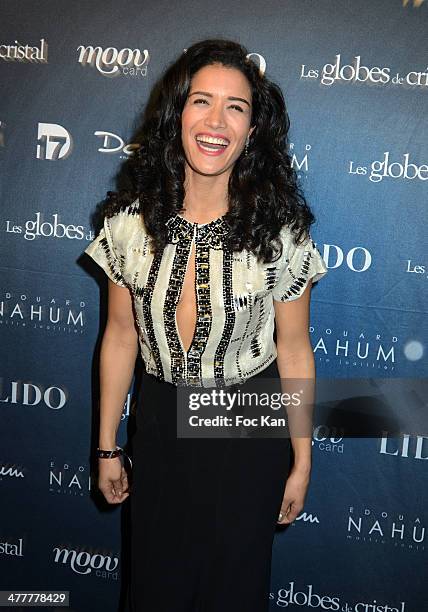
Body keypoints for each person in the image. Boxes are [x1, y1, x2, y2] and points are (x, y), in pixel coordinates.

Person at [85, 38, 327, 612]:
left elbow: (293, 349)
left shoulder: (279, 230)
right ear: (176, 114)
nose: (216, 121)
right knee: (155, 587)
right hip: (162, 422)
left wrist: (302, 459)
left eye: (236, 108)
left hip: (249, 423)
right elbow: (120, 336)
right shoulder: (128, 221)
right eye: (202, 101)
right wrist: (106, 446)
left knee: (232, 592)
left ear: (252, 130)